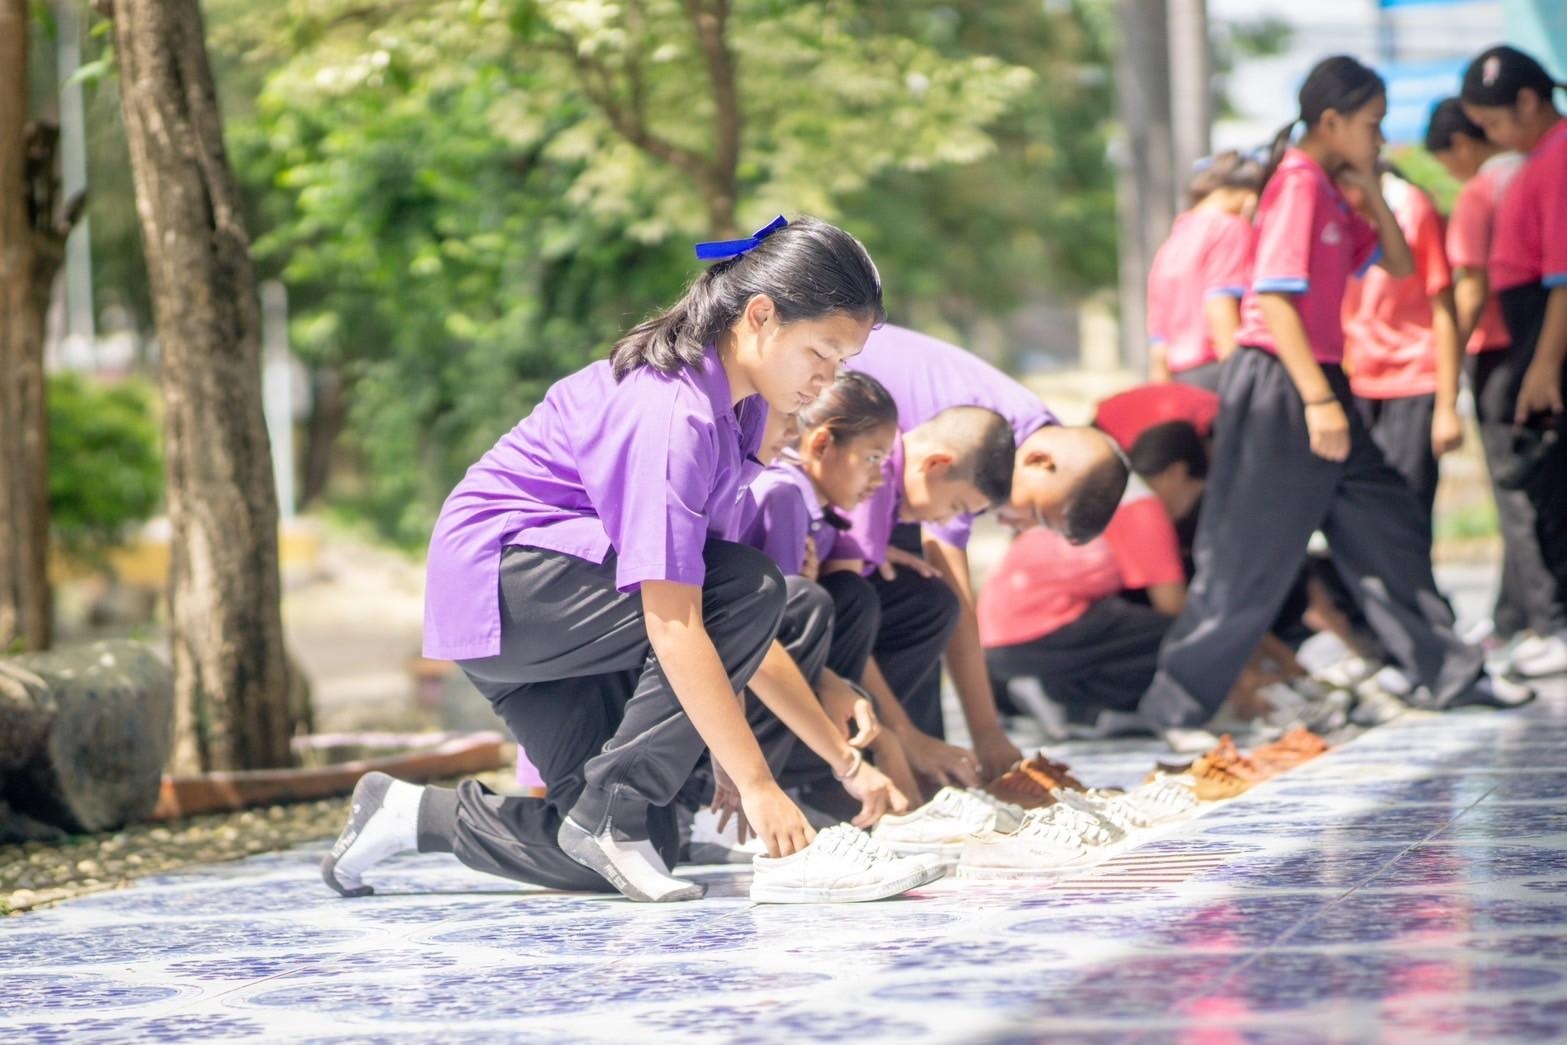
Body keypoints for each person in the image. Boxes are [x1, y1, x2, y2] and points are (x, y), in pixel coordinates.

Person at [321, 216, 907, 904]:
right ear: (760, 316)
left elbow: (710, 614)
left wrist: (737, 753)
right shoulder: (672, 413)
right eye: (821, 351)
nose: (826, 378)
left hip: (566, 607)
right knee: (753, 587)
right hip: (509, 590)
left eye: (843, 362)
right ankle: (609, 810)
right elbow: (684, 618)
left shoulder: (737, 412)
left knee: (631, 846)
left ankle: (410, 814)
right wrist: (757, 782)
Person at [1139, 55, 1526, 737]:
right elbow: (1274, 302)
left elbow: (1398, 263)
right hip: (1280, 384)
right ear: (1330, 121)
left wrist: (1372, 186)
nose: (1379, 138)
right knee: (1246, 553)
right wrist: (1317, 402)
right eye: (1372, 126)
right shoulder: (1292, 184)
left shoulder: (1325, 186)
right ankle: (1175, 706)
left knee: (1386, 529)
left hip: (1323, 380)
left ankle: (1449, 673)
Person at [848, 325, 1129, 780]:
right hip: (816, 428)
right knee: (897, 601)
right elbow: (957, 594)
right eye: (1035, 513)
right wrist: (985, 730)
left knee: (923, 597)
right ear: (1040, 463)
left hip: (875, 475)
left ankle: (917, 765)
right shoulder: (982, 442)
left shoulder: (1034, 429)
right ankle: (882, 767)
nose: (1019, 526)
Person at [727, 372, 924, 821]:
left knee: (853, 595)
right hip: (736, 680)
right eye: (872, 459)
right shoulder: (783, 494)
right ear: (819, 445)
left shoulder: (815, 503)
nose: (879, 479)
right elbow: (769, 630)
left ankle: (822, 775)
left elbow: (848, 574)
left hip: (760, 662)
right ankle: (783, 784)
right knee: (811, 603)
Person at [1427, 96, 1562, 678]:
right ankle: (1515, 616)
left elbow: (1471, 286)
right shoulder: (1528, 169)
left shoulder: (1486, 187)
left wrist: (1448, 367)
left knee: (1519, 493)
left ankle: (1546, 620)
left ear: (1462, 144)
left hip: (1507, 355)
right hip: (1535, 347)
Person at [821, 404, 1024, 786]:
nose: (944, 521)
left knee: (932, 601)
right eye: (955, 506)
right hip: (775, 624)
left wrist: (877, 550)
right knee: (862, 600)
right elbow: (840, 615)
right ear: (936, 466)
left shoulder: (890, 487)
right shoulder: (874, 478)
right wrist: (902, 734)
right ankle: (842, 762)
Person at [981, 421, 1205, 732]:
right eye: (1196, 493)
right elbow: (1174, 608)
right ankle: (1061, 698)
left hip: (997, 646)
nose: (1191, 508)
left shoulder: (1103, 494)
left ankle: (1028, 693)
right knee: (1188, 638)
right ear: (1176, 474)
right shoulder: (1143, 508)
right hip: (1032, 637)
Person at [1459, 46, 1567, 676]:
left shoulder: (1557, 159)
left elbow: (1561, 278)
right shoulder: (1539, 159)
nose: (1492, 139)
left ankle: (1554, 620)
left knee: (1534, 478)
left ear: (1528, 101)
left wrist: (1544, 364)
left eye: (1495, 123)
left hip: (1538, 333)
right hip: (1528, 326)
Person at [1340, 165, 1464, 524]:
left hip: (1413, 378)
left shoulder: (1413, 209)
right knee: (1363, 509)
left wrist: (1446, 405)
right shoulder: (1334, 213)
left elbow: (1444, 307)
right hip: (1358, 379)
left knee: (1409, 504)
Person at [1147, 151, 1262, 390]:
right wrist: (1240, 382)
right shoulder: (1230, 228)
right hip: (1219, 369)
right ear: (1251, 196)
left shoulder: (1173, 242)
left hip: (1181, 377)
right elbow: (1220, 303)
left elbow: (1159, 340)